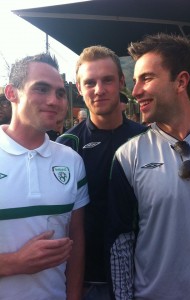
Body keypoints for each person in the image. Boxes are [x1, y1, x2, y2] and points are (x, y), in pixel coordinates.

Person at [108, 33, 190, 300]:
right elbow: (120, 243)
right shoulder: (128, 155)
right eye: (135, 81)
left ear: (180, 81)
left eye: (146, 78)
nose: (135, 91)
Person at [56, 45, 147, 300]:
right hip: (84, 282)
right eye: (90, 82)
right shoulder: (66, 146)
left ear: (121, 81)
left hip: (142, 279)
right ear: (78, 87)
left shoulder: (148, 141)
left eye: (107, 80)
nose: (99, 90)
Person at [0, 53, 89, 300]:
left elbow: (76, 240)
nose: (54, 100)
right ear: (12, 93)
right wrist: (14, 262)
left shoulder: (71, 161)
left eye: (60, 93)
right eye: (41, 89)